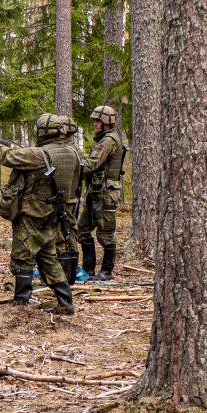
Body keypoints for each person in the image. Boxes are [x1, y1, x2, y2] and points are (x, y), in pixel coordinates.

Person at [0, 114, 83, 315]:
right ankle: (66, 303)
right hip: (54, 216)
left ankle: (21, 304)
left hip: (32, 215)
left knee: (22, 257)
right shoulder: (74, 152)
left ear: (42, 133)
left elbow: (7, 157)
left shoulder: (39, 155)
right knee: (48, 258)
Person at [79, 105, 126, 281]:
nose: (95, 124)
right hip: (95, 192)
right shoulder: (104, 139)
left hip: (106, 194)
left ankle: (106, 271)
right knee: (82, 229)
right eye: (95, 121)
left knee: (105, 233)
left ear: (107, 122)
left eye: (98, 121)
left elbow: (91, 164)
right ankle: (88, 270)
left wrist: (77, 160)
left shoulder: (109, 140)